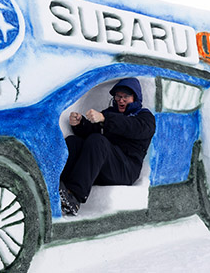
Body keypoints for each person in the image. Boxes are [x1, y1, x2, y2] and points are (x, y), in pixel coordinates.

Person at [59, 77, 156, 215]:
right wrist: (81, 124)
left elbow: (131, 127)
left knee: (98, 141)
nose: (121, 100)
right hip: (103, 167)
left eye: (126, 97)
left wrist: (105, 119)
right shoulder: (110, 113)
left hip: (126, 170)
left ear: (135, 97)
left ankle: (74, 196)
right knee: (74, 142)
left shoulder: (144, 117)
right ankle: (56, 183)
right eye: (118, 96)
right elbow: (92, 131)